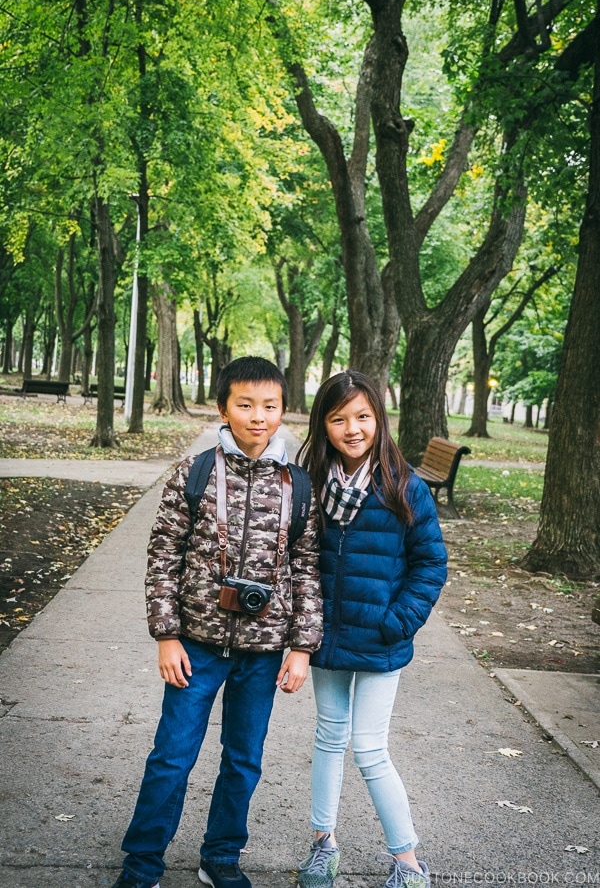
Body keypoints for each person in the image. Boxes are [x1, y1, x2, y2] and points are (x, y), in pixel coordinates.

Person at [112, 357, 323, 888]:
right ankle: (141, 866)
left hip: (263, 649)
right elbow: (164, 554)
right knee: (171, 757)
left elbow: (307, 569)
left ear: (282, 409)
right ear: (223, 408)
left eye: (269, 406)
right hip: (196, 647)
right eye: (245, 405)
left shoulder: (298, 484)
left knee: (243, 760)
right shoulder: (197, 471)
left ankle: (221, 858)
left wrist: (300, 647)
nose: (259, 417)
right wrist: (166, 635)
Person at [295, 370, 447, 888]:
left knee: (369, 748)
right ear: (324, 424)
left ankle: (407, 861)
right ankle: (322, 844)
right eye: (339, 418)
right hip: (329, 637)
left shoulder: (405, 487)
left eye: (363, 416)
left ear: (380, 421)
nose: (352, 428)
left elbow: (431, 565)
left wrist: (398, 621)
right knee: (328, 737)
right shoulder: (312, 483)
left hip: (381, 638)